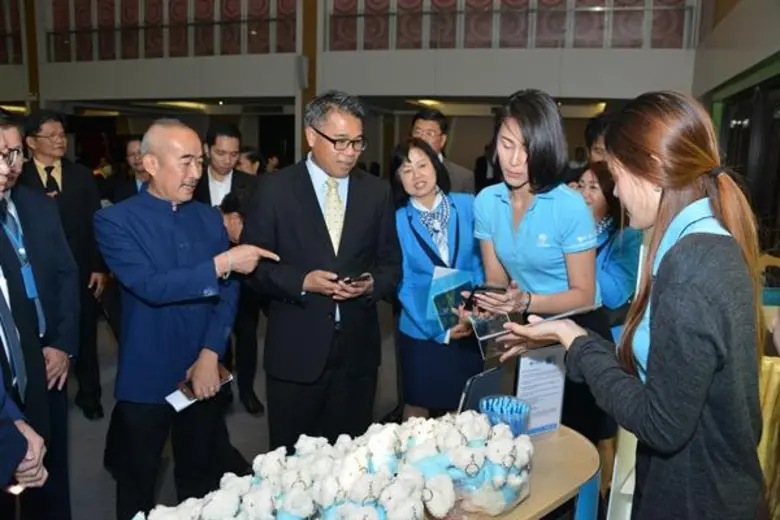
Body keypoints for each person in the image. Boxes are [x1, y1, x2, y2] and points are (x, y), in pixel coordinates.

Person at [499, 91, 767, 519]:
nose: (617, 193)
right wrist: (570, 335)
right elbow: (666, 377)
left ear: (655, 171)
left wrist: (575, 340)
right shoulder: (705, 245)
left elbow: (659, 422)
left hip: (696, 501)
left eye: (618, 176)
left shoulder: (689, 269)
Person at [93, 119, 278, 520]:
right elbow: (151, 286)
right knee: (137, 483)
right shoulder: (115, 221)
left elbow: (228, 292)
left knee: (201, 482)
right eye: (186, 162)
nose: (197, 173)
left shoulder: (208, 218)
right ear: (150, 164)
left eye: (199, 161)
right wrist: (224, 260)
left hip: (203, 372)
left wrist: (211, 352)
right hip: (146, 377)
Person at [242, 90, 401, 450]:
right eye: (340, 142)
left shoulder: (376, 192)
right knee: (291, 462)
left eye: (358, 143)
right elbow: (254, 270)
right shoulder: (274, 189)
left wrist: (369, 285)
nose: (350, 153)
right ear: (311, 135)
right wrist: (302, 281)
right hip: (296, 352)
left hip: (357, 355)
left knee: (350, 464)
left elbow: (392, 264)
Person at [470, 89, 615, 446]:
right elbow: (495, 281)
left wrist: (524, 303)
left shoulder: (569, 206)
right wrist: (482, 308)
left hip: (580, 331)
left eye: (527, 149)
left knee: (581, 448)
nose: (515, 160)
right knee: (534, 445)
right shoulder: (488, 202)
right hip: (533, 337)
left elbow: (583, 293)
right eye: (506, 144)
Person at [0, 112, 80, 520]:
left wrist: (64, 344)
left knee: (50, 470)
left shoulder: (36, 205)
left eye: (13, 153)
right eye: (1, 154)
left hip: (49, 361)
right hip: (8, 370)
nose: (9, 166)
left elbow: (67, 274)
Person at [19, 110, 108, 421]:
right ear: (30, 142)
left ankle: (90, 395)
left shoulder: (82, 176)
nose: (60, 141)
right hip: (38, 274)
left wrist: (99, 266)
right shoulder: (19, 178)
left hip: (81, 269)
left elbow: (96, 223)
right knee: (42, 334)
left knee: (84, 333)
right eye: (51, 136)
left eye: (62, 135)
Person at [390, 138, 483, 418]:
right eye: (407, 170)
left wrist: (470, 312)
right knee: (417, 409)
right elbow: (403, 281)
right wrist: (439, 329)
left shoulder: (468, 206)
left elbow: (482, 261)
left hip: (468, 321)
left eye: (422, 165)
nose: (417, 175)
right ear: (398, 178)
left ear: (436, 166)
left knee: (463, 409)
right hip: (421, 330)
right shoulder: (396, 221)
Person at [193, 123, 262, 412]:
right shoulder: (192, 183)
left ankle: (247, 390)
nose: (227, 160)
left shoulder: (254, 184)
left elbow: (261, 228)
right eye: (221, 153)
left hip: (244, 272)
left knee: (246, 334)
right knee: (213, 335)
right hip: (204, 270)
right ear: (208, 151)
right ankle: (221, 389)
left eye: (234, 154)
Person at [578, 161, 642, 339]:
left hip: (607, 339)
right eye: (580, 185)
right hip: (570, 329)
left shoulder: (628, 237)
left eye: (593, 187)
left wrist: (581, 244)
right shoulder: (567, 233)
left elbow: (614, 296)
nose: (583, 194)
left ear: (610, 194)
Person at [411, 108, 474, 193]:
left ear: (443, 140)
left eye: (430, 133)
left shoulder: (462, 178)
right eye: (417, 132)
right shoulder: (402, 171)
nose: (422, 138)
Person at [111, 137, 149, 203]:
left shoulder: (166, 182)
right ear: (127, 160)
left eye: (140, 152)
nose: (137, 157)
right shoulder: (121, 190)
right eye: (131, 154)